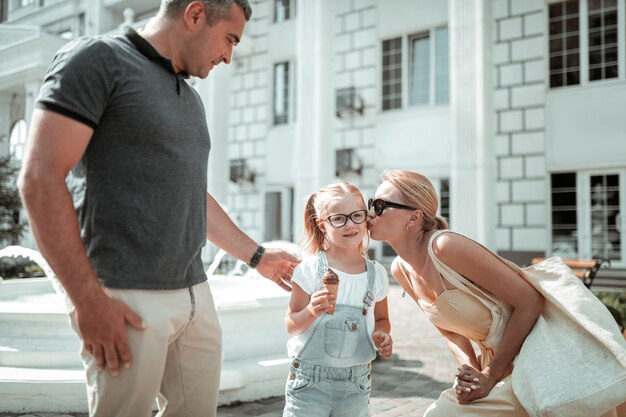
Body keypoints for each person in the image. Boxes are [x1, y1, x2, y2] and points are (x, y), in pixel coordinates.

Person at [17, 1, 299, 416]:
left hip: (194, 294)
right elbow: (40, 179)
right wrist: (87, 300)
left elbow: (192, 194)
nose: (228, 56)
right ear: (196, 13)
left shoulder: (191, 98)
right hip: (124, 294)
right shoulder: (97, 59)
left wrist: (258, 257)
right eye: (229, 39)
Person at [367, 169, 626, 417]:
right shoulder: (401, 269)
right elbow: (449, 330)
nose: (370, 213)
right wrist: (471, 370)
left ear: (414, 217)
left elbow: (529, 300)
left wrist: (490, 375)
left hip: (540, 355)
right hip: (499, 363)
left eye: (380, 206)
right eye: (371, 203)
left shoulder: (445, 246)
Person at [283, 181, 392, 417]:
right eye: (339, 219)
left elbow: (382, 319)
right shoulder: (311, 269)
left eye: (356, 216)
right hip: (309, 384)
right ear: (322, 225)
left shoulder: (377, 274)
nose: (350, 225)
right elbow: (291, 325)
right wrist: (312, 310)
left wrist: (382, 335)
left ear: (366, 218)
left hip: (357, 384)